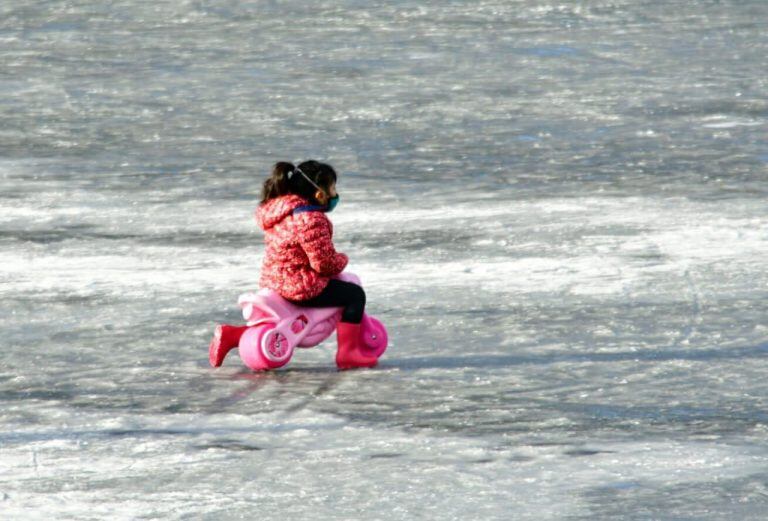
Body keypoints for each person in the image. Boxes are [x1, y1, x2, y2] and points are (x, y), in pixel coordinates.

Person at [208, 160, 375, 369]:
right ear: (319, 193)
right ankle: (348, 352)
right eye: (332, 188)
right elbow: (323, 264)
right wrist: (342, 259)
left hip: (274, 281)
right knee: (354, 295)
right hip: (300, 285)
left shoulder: (282, 213)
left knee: (289, 318)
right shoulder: (311, 218)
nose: (335, 193)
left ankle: (232, 335)